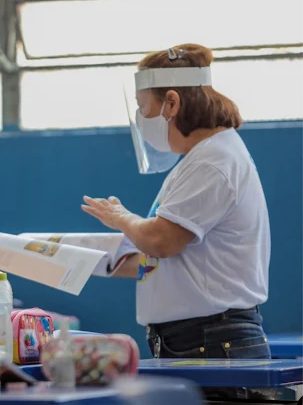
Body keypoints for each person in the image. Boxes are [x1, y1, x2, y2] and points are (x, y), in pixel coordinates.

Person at [82, 44, 271, 367]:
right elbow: (160, 257)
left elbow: (161, 240)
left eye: (145, 108)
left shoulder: (213, 161)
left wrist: (121, 217)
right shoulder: (202, 158)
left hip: (209, 340)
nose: (142, 119)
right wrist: (75, 261)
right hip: (194, 339)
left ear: (171, 103)